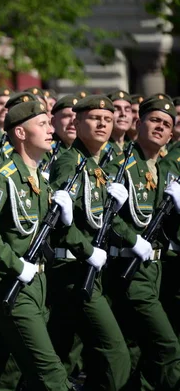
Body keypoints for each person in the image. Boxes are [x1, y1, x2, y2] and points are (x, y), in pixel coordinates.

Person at [0, 100, 74, 390]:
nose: (51, 130)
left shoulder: (38, 178)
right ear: (21, 133)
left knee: (3, 371)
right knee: (50, 372)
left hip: (37, 284)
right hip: (13, 282)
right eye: (42, 124)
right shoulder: (3, 178)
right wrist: (14, 264)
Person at [48, 95, 132, 389]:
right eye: (95, 118)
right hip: (72, 270)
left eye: (107, 120)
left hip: (88, 270)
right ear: (78, 122)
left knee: (66, 354)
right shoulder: (69, 164)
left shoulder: (95, 165)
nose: (103, 124)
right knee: (115, 351)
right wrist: (87, 251)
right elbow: (57, 223)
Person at [105, 95, 180, 390]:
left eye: (166, 124)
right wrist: (132, 238)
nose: (160, 127)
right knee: (168, 346)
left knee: (138, 350)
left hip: (156, 271)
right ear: (139, 123)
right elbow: (103, 214)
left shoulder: (162, 169)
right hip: (129, 268)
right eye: (154, 120)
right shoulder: (121, 164)